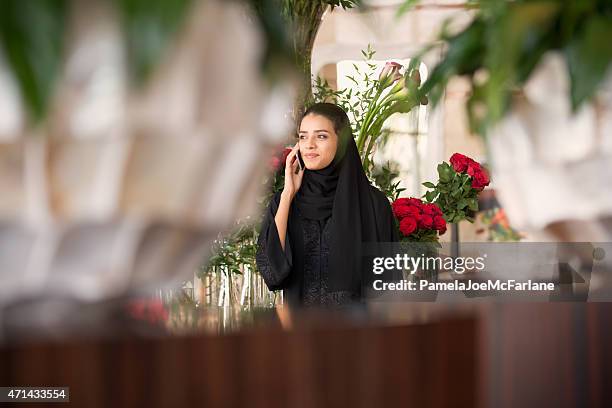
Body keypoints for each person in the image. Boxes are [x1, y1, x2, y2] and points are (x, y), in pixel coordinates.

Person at [256, 103, 398, 308]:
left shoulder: (374, 204)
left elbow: (388, 285)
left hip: (358, 333)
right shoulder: (284, 202)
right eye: (303, 136)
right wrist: (287, 194)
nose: (309, 144)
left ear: (342, 141)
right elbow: (271, 271)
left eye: (321, 136)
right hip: (300, 333)